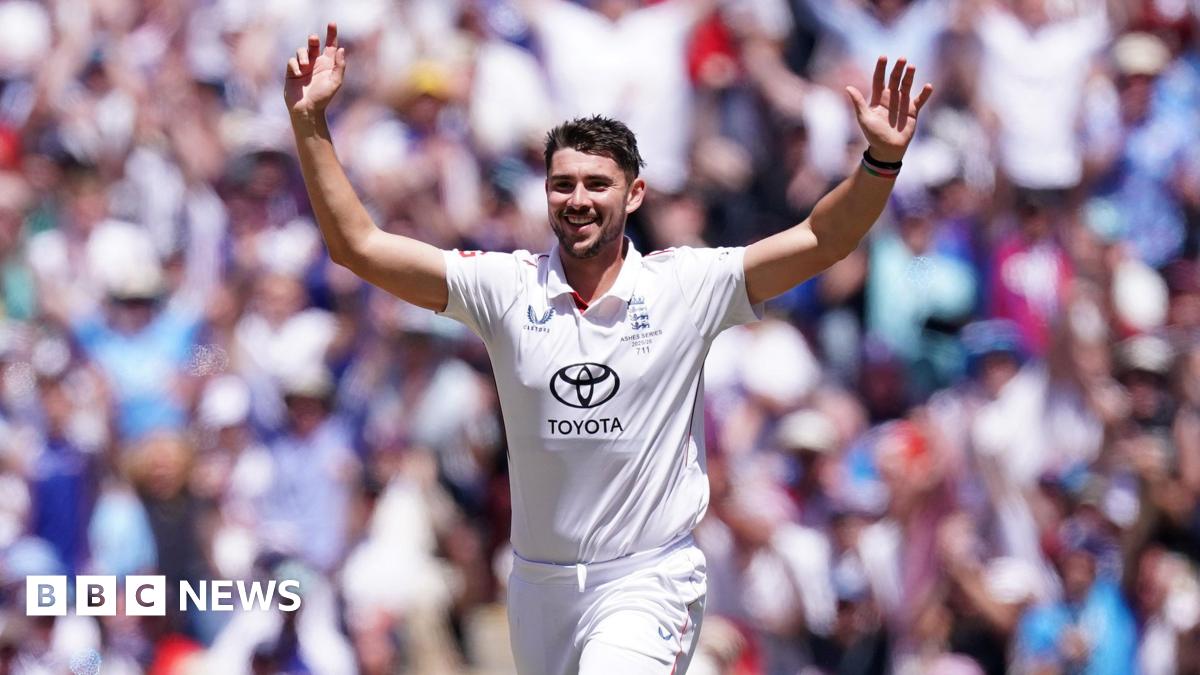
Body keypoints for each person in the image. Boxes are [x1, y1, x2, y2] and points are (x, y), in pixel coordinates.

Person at [284, 23, 932, 675]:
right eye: (563, 184)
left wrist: (878, 164)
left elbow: (823, 240)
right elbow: (359, 247)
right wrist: (309, 123)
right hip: (539, 584)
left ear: (635, 194)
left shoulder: (686, 284)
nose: (579, 199)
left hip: (648, 576)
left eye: (598, 183)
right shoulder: (504, 287)